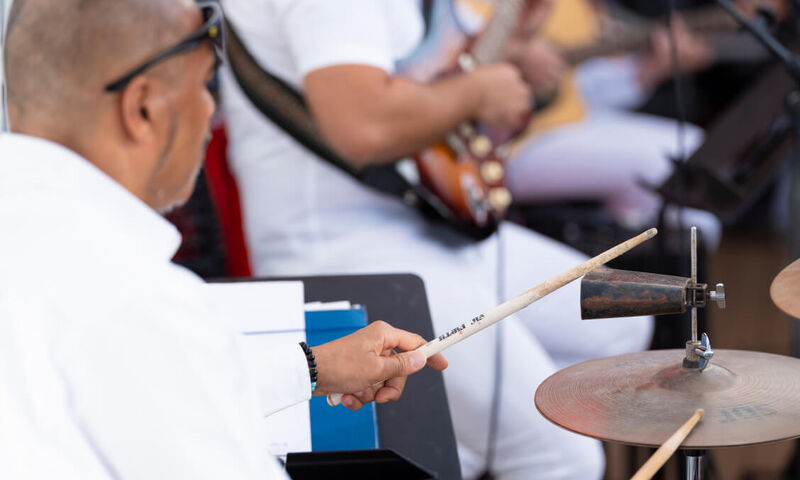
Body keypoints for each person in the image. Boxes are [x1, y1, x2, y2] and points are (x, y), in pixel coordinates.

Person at [0, 0, 446, 477]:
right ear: (143, 109)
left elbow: (151, 387)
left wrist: (313, 368)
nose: (211, 111)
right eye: (204, 85)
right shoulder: (138, 296)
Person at [219, 0, 653, 478]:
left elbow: (426, 77)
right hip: (351, 250)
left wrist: (507, 52)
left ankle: (468, 446)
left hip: (431, 224)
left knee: (620, 320)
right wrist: (477, 92)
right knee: (558, 455)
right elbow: (364, 123)